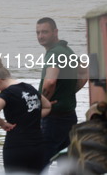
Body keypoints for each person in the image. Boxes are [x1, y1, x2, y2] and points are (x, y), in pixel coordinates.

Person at [36, 17, 88, 166]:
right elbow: (84, 72)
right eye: (38, 32)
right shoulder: (66, 50)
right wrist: (69, 92)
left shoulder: (54, 53)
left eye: (45, 32)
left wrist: (42, 103)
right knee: (66, 164)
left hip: (53, 118)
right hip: (69, 117)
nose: (41, 36)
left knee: (41, 162)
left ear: (55, 32)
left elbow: (50, 81)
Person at [0, 59, 51, 173]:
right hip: (38, 145)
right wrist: (32, 116)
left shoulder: (8, 93)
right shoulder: (30, 88)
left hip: (17, 146)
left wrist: (2, 123)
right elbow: (47, 106)